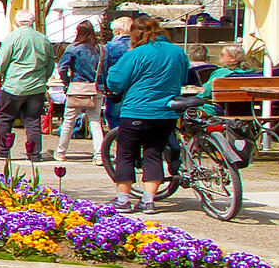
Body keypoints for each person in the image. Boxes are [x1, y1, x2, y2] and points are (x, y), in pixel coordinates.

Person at [103, 16, 190, 213]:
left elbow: (115, 80)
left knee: (125, 155)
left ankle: (123, 200)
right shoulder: (177, 52)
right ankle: (148, 200)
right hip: (166, 112)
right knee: (154, 154)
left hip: (137, 110)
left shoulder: (135, 53)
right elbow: (184, 76)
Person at [0, 10, 55, 162]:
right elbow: (50, 63)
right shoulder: (43, 39)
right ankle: (34, 153)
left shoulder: (13, 37)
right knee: (33, 121)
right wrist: (44, 78)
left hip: (14, 84)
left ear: (16, 22)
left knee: (5, 118)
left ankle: (2, 150)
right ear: (32, 22)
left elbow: (2, 60)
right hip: (36, 86)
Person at [54, 21, 106, 163]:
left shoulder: (73, 48)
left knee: (68, 121)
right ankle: (100, 155)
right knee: (95, 122)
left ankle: (60, 152)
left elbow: (62, 67)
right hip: (96, 89)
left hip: (77, 87)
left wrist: (66, 82)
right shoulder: (101, 49)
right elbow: (105, 70)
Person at [99, 16, 134, 129]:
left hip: (116, 87)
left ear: (118, 31)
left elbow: (104, 67)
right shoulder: (137, 46)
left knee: (113, 116)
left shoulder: (109, 47)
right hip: (135, 86)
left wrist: (105, 85)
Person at [200, 46, 250, 116]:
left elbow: (205, 93)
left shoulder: (222, 73)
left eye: (222, 54)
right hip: (247, 111)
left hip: (221, 110)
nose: (220, 56)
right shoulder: (249, 74)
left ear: (233, 59)